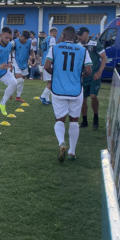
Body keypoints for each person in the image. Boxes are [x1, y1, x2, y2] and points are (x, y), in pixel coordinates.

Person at [44, 26, 92, 161]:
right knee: (74, 120)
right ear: (75, 37)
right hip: (76, 90)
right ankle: (72, 151)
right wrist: (78, 76)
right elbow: (89, 71)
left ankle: (61, 143)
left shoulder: (55, 48)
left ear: (64, 36)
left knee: (59, 119)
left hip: (58, 89)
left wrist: (58, 75)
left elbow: (47, 66)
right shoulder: (83, 50)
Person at [76, 26, 107, 129]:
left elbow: (104, 58)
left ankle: (96, 118)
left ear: (86, 34)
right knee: (82, 100)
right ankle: (84, 121)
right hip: (82, 77)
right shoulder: (77, 45)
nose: (79, 37)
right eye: (78, 35)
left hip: (94, 76)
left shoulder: (95, 44)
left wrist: (99, 71)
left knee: (93, 96)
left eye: (80, 35)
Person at [11, 30, 35, 102]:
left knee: (22, 81)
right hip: (16, 61)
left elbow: (31, 51)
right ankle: (10, 91)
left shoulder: (29, 42)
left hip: (24, 63)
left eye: (26, 39)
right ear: (21, 36)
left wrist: (32, 56)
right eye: (24, 39)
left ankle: (18, 97)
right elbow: (7, 49)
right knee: (20, 79)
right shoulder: (14, 42)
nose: (25, 41)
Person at [40, 27, 58, 105]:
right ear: (54, 32)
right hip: (49, 61)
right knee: (52, 81)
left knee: (50, 80)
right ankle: (43, 96)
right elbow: (52, 49)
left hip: (44, 60)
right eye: (56, 33)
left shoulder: (45, 39)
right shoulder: (52, 39)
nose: (57, 35)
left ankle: (47, 99)